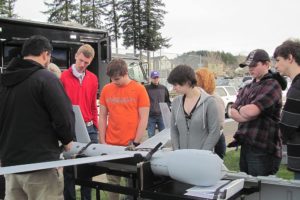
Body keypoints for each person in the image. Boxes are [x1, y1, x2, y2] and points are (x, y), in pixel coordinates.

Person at [0, 35, 74, 200]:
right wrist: (68, 139)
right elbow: (63, 115)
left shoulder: (3, 81)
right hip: (41, 166)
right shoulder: (46, 78)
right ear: (45, 54)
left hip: (10, 167)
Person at [228, 49, 286, 176]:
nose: (250, 68)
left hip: (263, 148)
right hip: (246, 144)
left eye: (254, 65)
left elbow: (251, 111)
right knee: (246, 186)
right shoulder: (247, 86)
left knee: (260, 189)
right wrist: (242, 110)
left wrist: (241, 110)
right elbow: (232, 111)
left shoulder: (272, 85)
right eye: (249, 65)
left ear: (266, 64)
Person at [99, 58, 150, 200]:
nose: (114, 82)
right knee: (112, 183)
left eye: (117, 79)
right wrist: (102, 141)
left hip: (132, 145)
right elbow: (102, 116)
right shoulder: (106, 89)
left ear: (126, 72)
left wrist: (136, 141)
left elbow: (143, 118)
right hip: (111, 144)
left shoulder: (139, 89)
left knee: (133, 184)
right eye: (112, 79)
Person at [60, 44, 98, 200]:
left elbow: (92, 105)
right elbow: (59, 106)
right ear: (76, 55)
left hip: (89, 129)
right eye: (81, 60)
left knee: (87, 170)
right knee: (69, 170)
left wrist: (96, 127)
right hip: (70, 129)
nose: (82, 65)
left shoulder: (93, 79)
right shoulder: (63, 77)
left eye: (86, 63)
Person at [167, 65, 220, 151]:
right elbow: (173, 129)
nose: (173, 88)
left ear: (187, 82)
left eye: (175, 84)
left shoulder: (209, 102)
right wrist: (176, 150)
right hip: (182, 156)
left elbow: (214, 132)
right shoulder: (176, 102)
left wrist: (202, 154)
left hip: (202, 157)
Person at [273, 40, 300, 179]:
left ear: (290, 58)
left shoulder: (297, 88)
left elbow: (286, 127)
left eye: (278, 60)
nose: (276, 65)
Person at [195, 68, 226, 159]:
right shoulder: (199, 98)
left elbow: (219, 125)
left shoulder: (215, 100)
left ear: (204, 81)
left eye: (197, 80)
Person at [145, 70, 171, 138]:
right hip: (151, 117)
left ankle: (161, 148)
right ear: (151, 78)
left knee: (163, 136)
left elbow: (168, 101)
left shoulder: (163, 88)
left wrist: (165, 109)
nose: (156, 79)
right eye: (154, 78)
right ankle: (151, 148)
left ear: (159, 78)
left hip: (161, 116)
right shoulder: (146, 89)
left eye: (157, 77)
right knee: (151, 136)